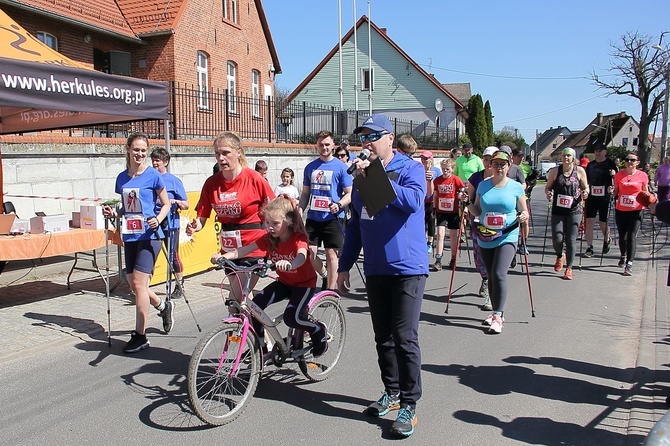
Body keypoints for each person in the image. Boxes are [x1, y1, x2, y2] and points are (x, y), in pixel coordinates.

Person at [337, 113, 427, 438]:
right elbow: (356, 228)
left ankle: (409, 404)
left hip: (408, 268)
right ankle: (390, 392)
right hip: (376, 268)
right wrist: (344, 266)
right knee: (383, 338)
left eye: (373, 136)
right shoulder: (360, 181)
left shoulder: (410, 169)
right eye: (363, 137)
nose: (367, 142)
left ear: (390, 137)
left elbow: (415, 202)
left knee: (405, 337)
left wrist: (378, 178)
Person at [213, 195, 328, 357]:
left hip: (303, 285)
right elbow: (245, 250)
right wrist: (224, 256)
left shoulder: (298, 238)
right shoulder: (269, 239)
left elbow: (302, 255)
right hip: (284, 282)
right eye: (267, 223)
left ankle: (317, 330)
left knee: (291, 318)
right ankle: (261, 348)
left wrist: (291, 264)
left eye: (275, 224)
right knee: (255, 308)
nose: (270, 227)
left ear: (288, 222)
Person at [102, 132, 172, 354]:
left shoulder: (153, 176)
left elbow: (167, 204)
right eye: (136, 150)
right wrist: (112, 211)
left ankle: (140, 336)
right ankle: (162, 306)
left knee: (140, 285)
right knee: (133, 285)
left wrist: (157, 219)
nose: (140, 154)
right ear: (128, 150)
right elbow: (125, 207)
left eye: (144, 150)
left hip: (150, 237)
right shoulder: (122, 178)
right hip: (130, 235)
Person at [186, 131, 275, 301]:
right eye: (217, 153)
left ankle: (239, 327)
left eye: (226, 152)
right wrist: (194, 226)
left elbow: (275, 210)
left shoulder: (254, 179)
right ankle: (256, 328)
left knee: (234, 299)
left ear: (238, 152)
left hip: (254, 247)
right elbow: (202, 219)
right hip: (228, 249)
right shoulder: (211, 184)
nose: (221, 158)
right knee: (243, 299)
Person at [467, 150, 528, 334]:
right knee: (491, 274)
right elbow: (477, 210)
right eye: (496, 164)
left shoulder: (516, 187)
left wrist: (524, 216)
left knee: (499, 273)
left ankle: (498, 315)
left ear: (509, 166)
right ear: (490, 165)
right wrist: (465, 203)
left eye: (503, 164)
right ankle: (495, 311)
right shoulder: (483, 186)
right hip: (486, 235)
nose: (499, 167)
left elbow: (524, 211)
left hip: (508, 234)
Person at [299, 130, 353, 290]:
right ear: (317, 146)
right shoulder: (310, 167)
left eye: (327, 144)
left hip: (333, 218)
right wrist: (300, 209)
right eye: (321, 145)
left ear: (333, 146)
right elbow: (305, 193)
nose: (324, 147)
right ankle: (323, 274)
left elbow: (350, 193)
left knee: (331, 255)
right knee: (309, 253)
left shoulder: (341, 167)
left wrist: (339, 204)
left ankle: (330, 292)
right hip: (314, 218)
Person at [150, 147, 190, 299]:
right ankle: (144, 287)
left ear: (165, 162)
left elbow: (186, 204)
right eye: (153, 160)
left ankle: (179, 285)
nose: (155, 164)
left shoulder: (174, 181)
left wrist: (176, 202)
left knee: (173, 256)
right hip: (153, 222)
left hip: (170, 223)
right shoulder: (150, 178)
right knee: (150, 254)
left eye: (158, 161)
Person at [544, 147, 589, 280]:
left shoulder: (579, 171)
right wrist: (549, 193)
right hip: (558, 209)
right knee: (557, 238)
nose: (566, 158)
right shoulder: (555, 171)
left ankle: (569, 268)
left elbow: (586, 187)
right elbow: (548, 187)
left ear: (573, 158)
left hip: (575, 210)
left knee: (571, 239)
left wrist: (586, 192)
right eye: (564, 156)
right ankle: (559, 255)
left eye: (569, 156)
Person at [467, 146, 499, 310]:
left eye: (492, 159)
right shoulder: (476, 178)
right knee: (479, 258)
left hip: (499, 228)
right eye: (486, 159)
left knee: (495, 262)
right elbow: (470, 199)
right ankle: (485, 278)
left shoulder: (502, 178)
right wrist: (464, 201)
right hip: (478, 223)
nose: (488, 162)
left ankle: (491, 297)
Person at [613, 153, 649, 276]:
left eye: (632, 160)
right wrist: (611, 192)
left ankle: (629, 264)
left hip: (637, 210)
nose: (629, 162)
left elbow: (646, 192)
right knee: (622, 236)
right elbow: (615, 192)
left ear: (637, 162)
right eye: (627, 160)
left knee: (631, 236)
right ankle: (623, 255)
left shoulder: (642, 175)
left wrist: (651, 204)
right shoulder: (619, 175)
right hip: (621, 210)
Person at [583, 143, 617, 258]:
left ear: (605, 152)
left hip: (604, 197)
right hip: (592, 196)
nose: (597, 153)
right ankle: (589, 247)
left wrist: (614, 175)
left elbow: (617, 179)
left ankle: (607, 238)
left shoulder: (610, 163)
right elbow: (586, 179)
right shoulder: (590, 165)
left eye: (600, 151)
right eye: (596, 151)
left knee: (603, 222)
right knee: (589, 221)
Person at [432, 158, 465, 271]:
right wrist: (434, 208)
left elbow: (462, 189)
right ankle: (438, 259)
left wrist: (461, 195)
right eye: (443, 169)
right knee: (440, 234)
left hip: (453, 211)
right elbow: (435, 195)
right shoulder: (437, 180)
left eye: (447, 169)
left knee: (453, 236)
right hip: (441, 211)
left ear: (452, 169)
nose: (445, 171)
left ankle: (453, 258)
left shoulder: (456, 179)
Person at [420, 150, 441, 253]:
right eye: (422, 158)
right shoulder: (419, 169)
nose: (423, 160)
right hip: (422, 200)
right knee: (422, 221)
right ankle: (423, 240)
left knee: (431, 221)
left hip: (432, 200)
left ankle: (430, 242)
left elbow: (440, 183)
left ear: (431, 159)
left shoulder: (436, 171)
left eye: (426, 158)